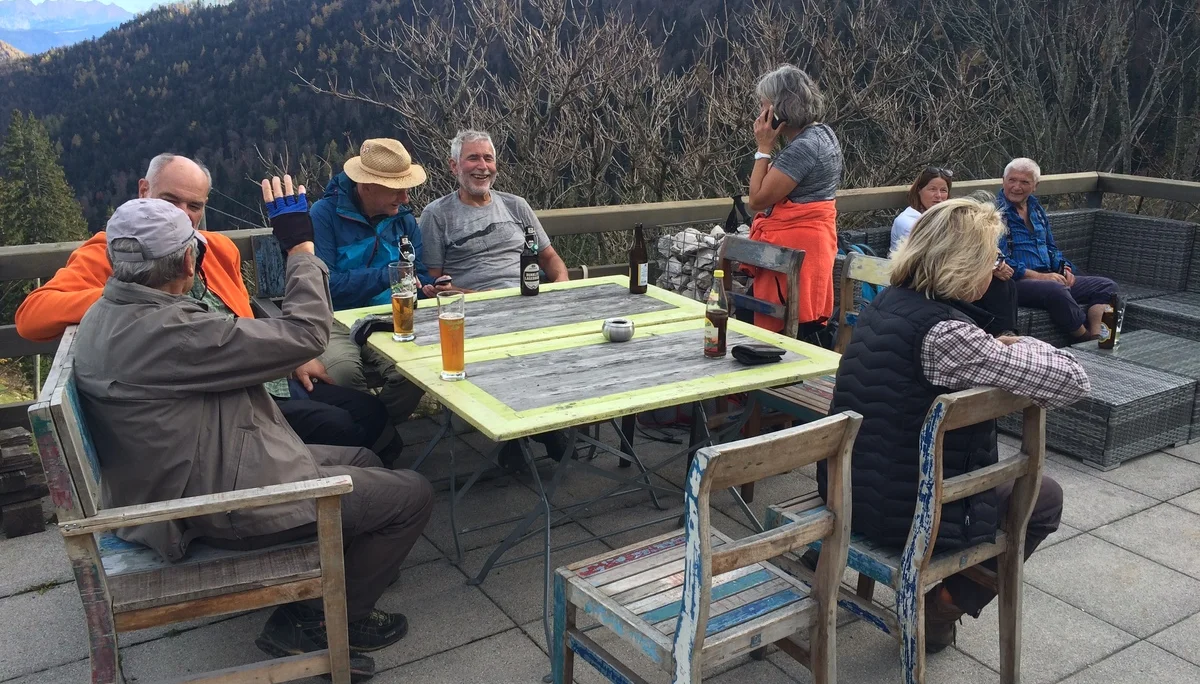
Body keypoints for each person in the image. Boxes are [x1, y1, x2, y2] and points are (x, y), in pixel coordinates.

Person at [72, 186, 434, 677]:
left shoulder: (106, 312)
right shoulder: (172, 330)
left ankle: (334, 588)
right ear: (188, 263)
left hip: (196, 466)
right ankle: (316, 624)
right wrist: (301, 250)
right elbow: (307, 334)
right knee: (411, 494)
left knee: (365, 461)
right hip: (212, 503)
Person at [820, 196, 1088, 652]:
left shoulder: (886, 304)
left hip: (849, 492)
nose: (996, 270)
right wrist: (1017, 343)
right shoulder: (947, 336)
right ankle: (941, 607)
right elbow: (1072, 380)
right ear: (965, 264)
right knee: (1044, 499)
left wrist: (995, 347)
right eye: (992, 260)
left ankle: (940, 607)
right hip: (911, 516)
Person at [15, 153, 395, 456]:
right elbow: (32, 317)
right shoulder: (112, 252)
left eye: (193, 205)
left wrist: (289, 355)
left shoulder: (217, 248)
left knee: (370, 411)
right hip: (218, 398)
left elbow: (242, 315)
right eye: (170, 200)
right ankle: (329, 495)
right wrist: (138, 290)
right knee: (341, 427)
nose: (182, 214)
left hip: (261, 373)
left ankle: (352, 486)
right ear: (143, 190)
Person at [418, 128, 572, 465]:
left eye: (488, 158)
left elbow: (551, 259)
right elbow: (433, 281)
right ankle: (538, 430)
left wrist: (559, 288)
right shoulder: (437, 215)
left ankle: (534, 428)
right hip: (476, 310)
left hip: (530, 302)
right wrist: (478, 296)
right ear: (453, 166)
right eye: (473, 157)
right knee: (514, 350)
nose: (482, 166)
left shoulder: (516, 206)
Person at [310, 139, 432, 427]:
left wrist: (428, 286)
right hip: (335, 319)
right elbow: (327, 285)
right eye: (397, 190)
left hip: (393, 316)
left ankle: (376, 436)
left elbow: (420, 272)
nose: (405, 198)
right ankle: (370, 439)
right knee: (342, 375)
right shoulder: (324, 215)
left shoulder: (403, 219)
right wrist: (389, 274)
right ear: (366, 186)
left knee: (414, 373)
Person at [745, 64, 842, 339]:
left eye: (763, 104)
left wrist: (763, 148)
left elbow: (757, 198)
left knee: (791, 329)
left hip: (796, 251)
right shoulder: (823, 133)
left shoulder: (803, 148)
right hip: (813, 247)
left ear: (778, 108)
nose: (760, 112)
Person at [997, 158, 1119, 340]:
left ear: (1035, 185)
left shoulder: (1036, 209)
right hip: (1016, 282)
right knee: (1056, 289)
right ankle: (1082, 338)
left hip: (1049, 276)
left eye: (1024, 182)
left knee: (1107, 287)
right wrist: (1040, 277)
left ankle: (1100, 338)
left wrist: (1064, 268)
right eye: (1012, 180)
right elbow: (999, 258)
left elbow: (1051, 248)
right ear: (1003, 180)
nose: (1016, 187)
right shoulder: (994, 213)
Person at [893, 167, 1019, 335]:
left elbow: (970, 246)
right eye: (932, 189)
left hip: (948, 275)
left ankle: (1005, 335)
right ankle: (998, 339)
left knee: (1004, 283)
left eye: (943, 190)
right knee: (994, 286)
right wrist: (991, 267)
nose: (938, 196)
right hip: (924, 279)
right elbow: (939, 255)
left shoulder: (947, 218)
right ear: (918, 190)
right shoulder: (910, 221)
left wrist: (994, 263)